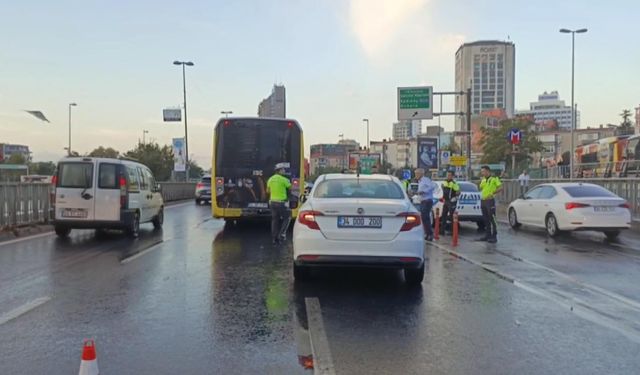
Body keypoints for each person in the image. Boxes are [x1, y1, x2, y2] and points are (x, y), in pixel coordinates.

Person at [267, 163, 292, 245]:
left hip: (272, 203)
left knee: (275, 220)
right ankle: (281, 235)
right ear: (279, 171)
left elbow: (267, 191)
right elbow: (291, 188)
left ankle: (274, 238)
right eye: (283, 169)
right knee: (287, 217)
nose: (284, 171)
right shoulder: (284, 179)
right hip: (281, 203)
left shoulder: (270, 179)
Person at [478, 165, 503, 243]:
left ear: (488, 171)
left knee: (492, 218)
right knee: (486, 219)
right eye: (481, 171)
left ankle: (494, 236)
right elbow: (481, 188)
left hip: (490, 200)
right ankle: (487, 235)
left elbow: (500, 188)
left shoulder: (494, 179)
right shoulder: (483, 180)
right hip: (483, 200)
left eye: (483, 171)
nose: (482, 173)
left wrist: (492, 193)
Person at [413, 168, 437, 241]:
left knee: (426, 218)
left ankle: (430, 234)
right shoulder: (420, 181)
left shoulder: (425, 180)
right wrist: (416, 193)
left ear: (420, 174)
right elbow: (420, 191)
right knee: (424, 218)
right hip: (423, 201)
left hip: (427, 201)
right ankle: (427, 234)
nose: (415, 175)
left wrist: (424, 192)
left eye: (416, 174)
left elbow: (432, 186)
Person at [440, 170, 460, 236]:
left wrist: (455, 197)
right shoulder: (444, 182)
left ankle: (453, 231)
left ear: (452, 176)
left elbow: (458, 192)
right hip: (446, 201)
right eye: (447, 175)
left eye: (450, 175)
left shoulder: (454, 183)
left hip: (451, 201)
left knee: (452, 217)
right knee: (444, 216)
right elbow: (442, 190)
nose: (448, 176)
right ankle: (442, 230)